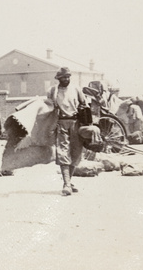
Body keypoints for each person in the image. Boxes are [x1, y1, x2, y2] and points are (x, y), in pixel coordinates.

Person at [47, 67, 86, 196]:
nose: (66, 79)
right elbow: (48, 107)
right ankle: (67, 184)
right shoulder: (53, 90)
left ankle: (69, 181)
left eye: (68, 76)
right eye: (64, 77)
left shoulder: (76, 89)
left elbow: (84, 104)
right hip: (61, 123)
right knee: (63, 152)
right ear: (59, 78)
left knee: (76, 152)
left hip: (75, 123)